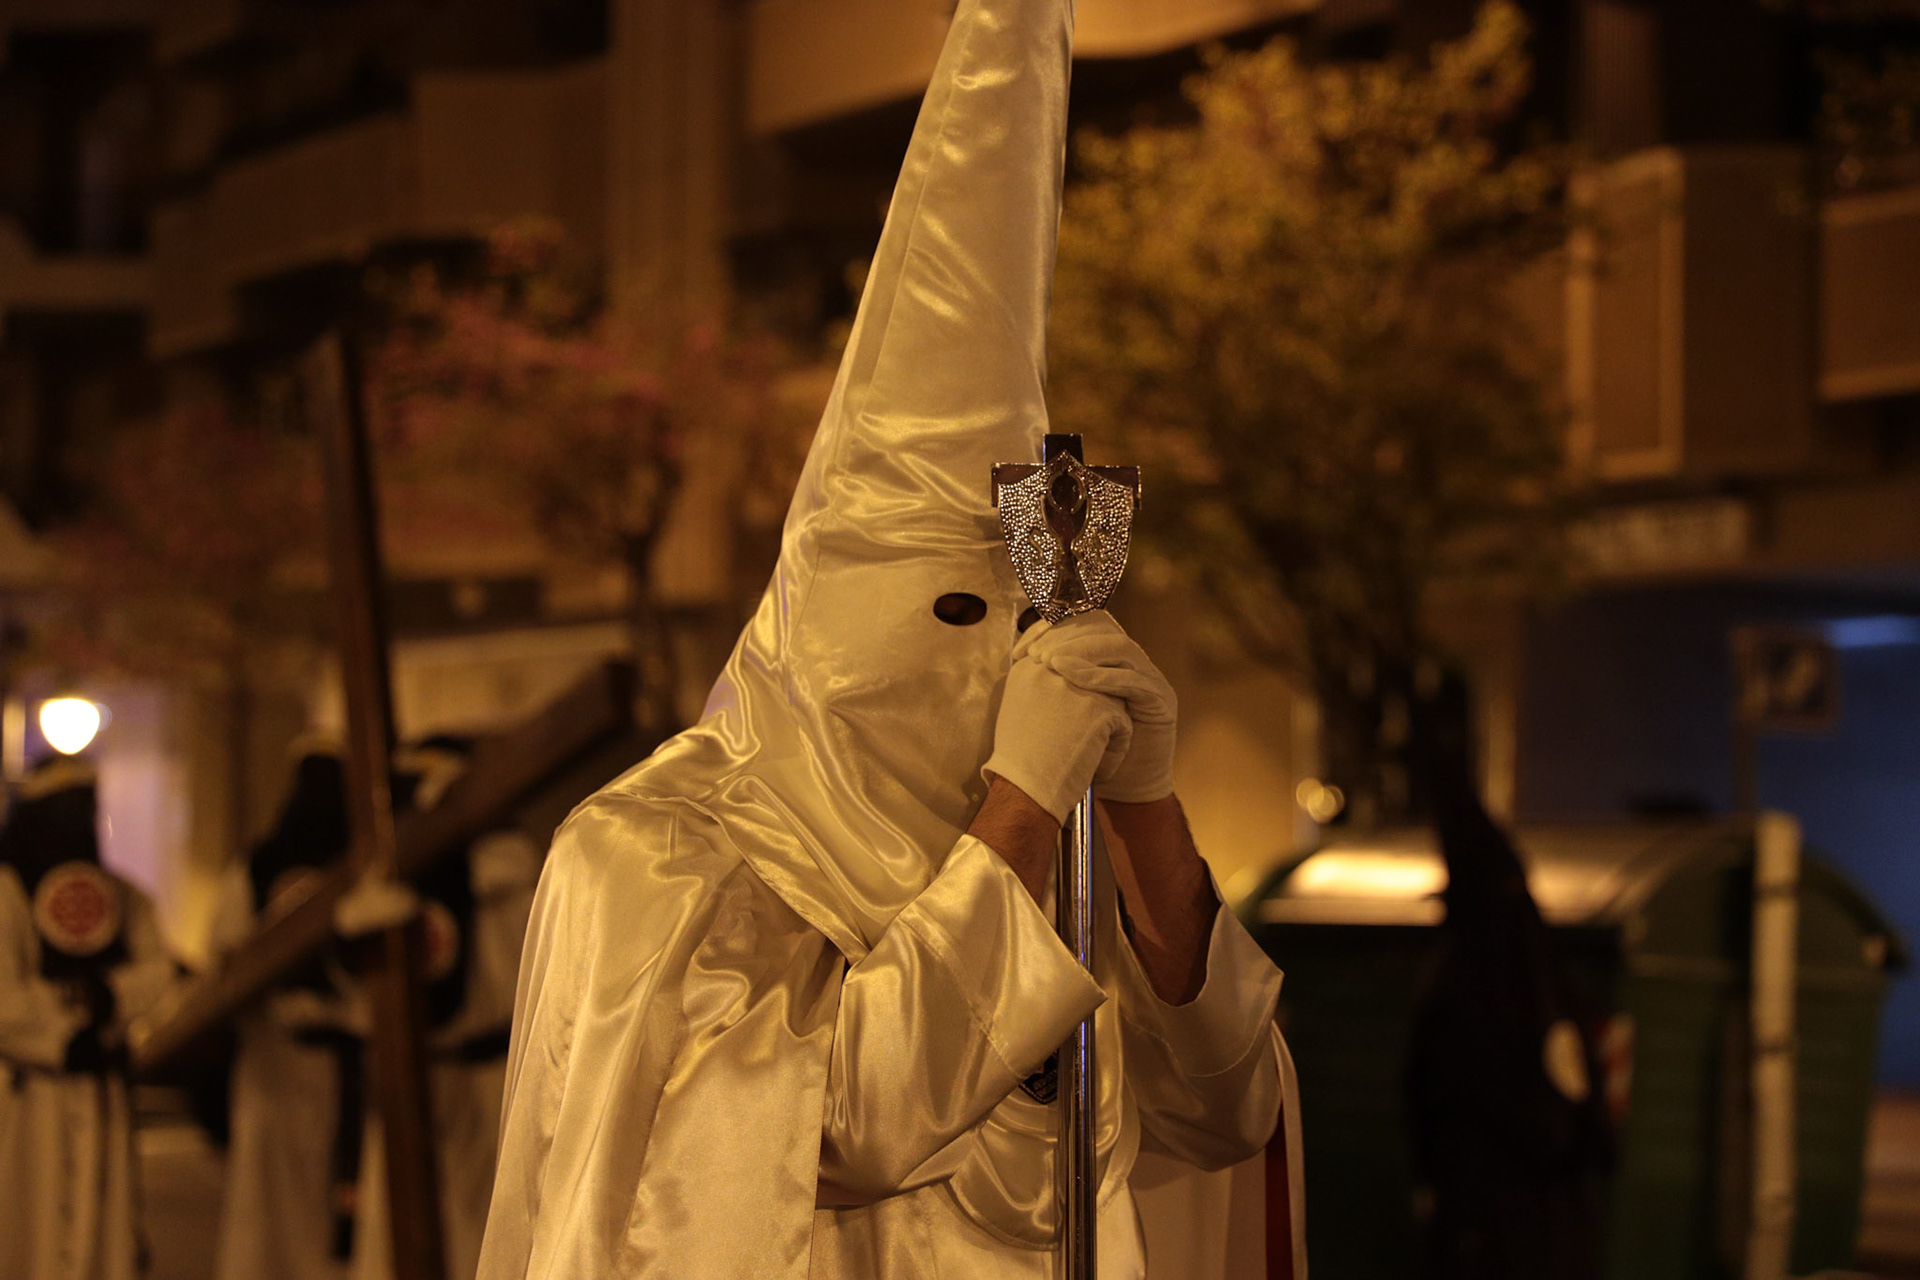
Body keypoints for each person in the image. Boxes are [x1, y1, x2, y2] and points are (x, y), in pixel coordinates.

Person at [476, 0, 1304, 1274]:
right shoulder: (655, 855)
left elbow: (1223, 1111)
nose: (981, 671)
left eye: (1010, 625)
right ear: (824, 616)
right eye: (947, 615)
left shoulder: (1043, 857)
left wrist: (1139, 812)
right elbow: (831, 1134)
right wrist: (1022, 808)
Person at [352, 737, 541, 1280]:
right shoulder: (391, 883)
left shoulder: (511, 876)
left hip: (493, 1079)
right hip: (416, 1077)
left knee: (491, 1234)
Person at [0, 756, 178, 1280]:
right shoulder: (5, 894)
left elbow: (159, 972)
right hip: (26, 1095)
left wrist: (109, 995)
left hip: (101, 1092)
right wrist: (60, 1032)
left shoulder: (122, 898)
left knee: (102, 1232)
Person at [212, 744, 363, 1280]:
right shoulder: (348, 863)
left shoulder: (263, 866)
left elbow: (222, 947)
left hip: (311, 1062)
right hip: (281, 1061)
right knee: (272, 1207)